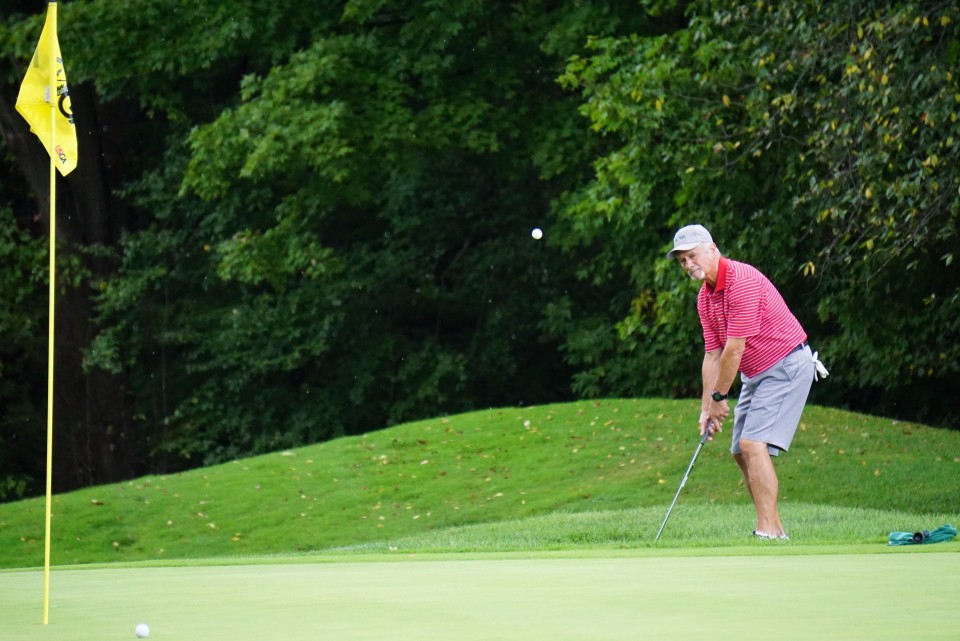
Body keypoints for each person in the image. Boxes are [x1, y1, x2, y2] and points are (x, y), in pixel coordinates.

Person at [666, 224, 826, 539]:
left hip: (786, 365)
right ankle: (776, 530)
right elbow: (712, 355)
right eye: (682, 260)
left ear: (712, 248)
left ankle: (766, 531)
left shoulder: (741, 281)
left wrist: (719, 397)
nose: (688, 264)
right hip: (756, 374)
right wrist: (706, 409)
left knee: (752, 444)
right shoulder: (705, 298)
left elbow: (734, 349)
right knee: (740, 451)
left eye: (692, 255)